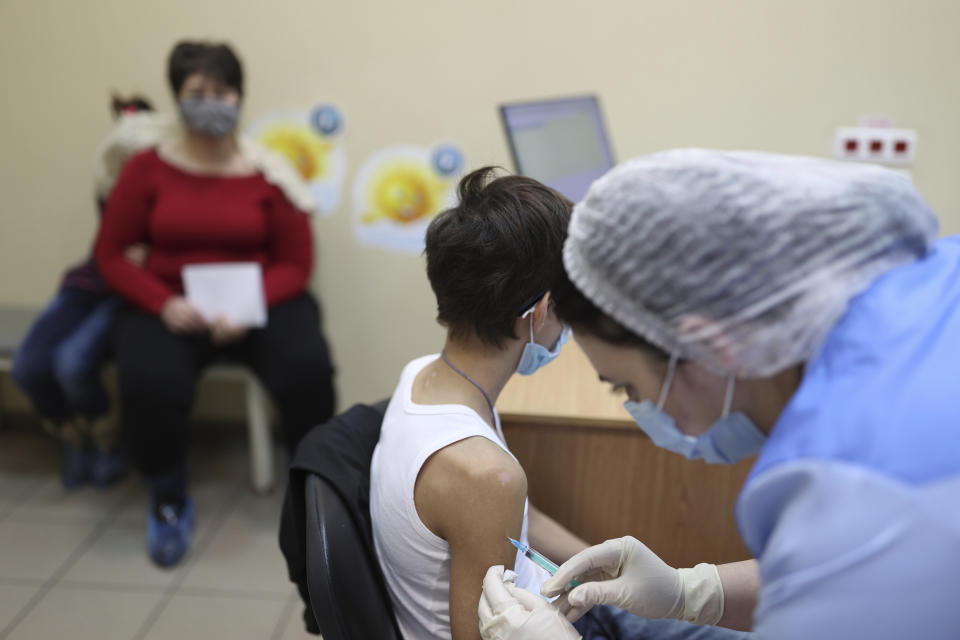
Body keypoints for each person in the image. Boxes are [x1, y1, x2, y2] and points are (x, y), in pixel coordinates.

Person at [478, 149, 960, 639]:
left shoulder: (859, 496)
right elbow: (849, 583)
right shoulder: (936, 279)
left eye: (630, 386)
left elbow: (843, 569)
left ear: (708, 346)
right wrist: (691, 591)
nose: (638, 409)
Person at [370, 167, 749, 640]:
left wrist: (609, 572)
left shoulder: (425, 375)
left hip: (564, 611)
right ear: (544, 310)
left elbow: (518, 520)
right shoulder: (485, 475)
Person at [95, 40, 336, 568]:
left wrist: (249, 305)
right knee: (149, 380)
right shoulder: (146, 170)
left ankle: (315, 490)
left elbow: (296, 263)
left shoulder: (270, 172)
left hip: (259, 302)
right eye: (196, 92)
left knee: (308, 367)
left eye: (220, 91)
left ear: (239, 97)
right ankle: (167, 497)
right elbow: (110, 255)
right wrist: (162, 304)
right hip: (172, 305)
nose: (210, 101)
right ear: (176, 98)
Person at [11, 95, 155, 490]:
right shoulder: (109, 180)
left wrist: (151, 257)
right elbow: (108, 251)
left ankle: (108, 439)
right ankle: (74, 435)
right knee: (27, 365)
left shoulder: (166, 185)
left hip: (126, 294)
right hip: (87, 283)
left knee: (72, 363)